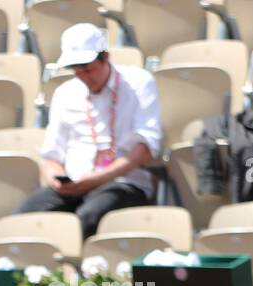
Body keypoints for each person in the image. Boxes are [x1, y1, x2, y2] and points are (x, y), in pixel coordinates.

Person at [17, 24, 161, 238]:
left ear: (106, 57)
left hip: (123, 183)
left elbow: (146, 148)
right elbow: (51, 157)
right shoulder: (65, 93)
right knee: (26, 217)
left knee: (89, 217)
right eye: (76, 69)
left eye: (87, 67)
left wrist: (100, 177)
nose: (83, 75)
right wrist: (56, 179)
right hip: (75, 185)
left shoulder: (139, 83)